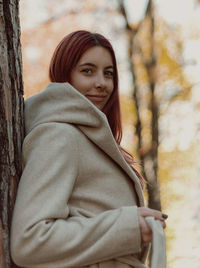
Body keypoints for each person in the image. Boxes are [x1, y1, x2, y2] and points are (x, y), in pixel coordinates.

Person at [11, 30, 167, 268]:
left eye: (108, 74)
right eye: (87, 71)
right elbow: (29, 240)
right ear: (65, 75)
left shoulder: (91, 141)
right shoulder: (59, 135)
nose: (101, 83)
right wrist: (127, 228)